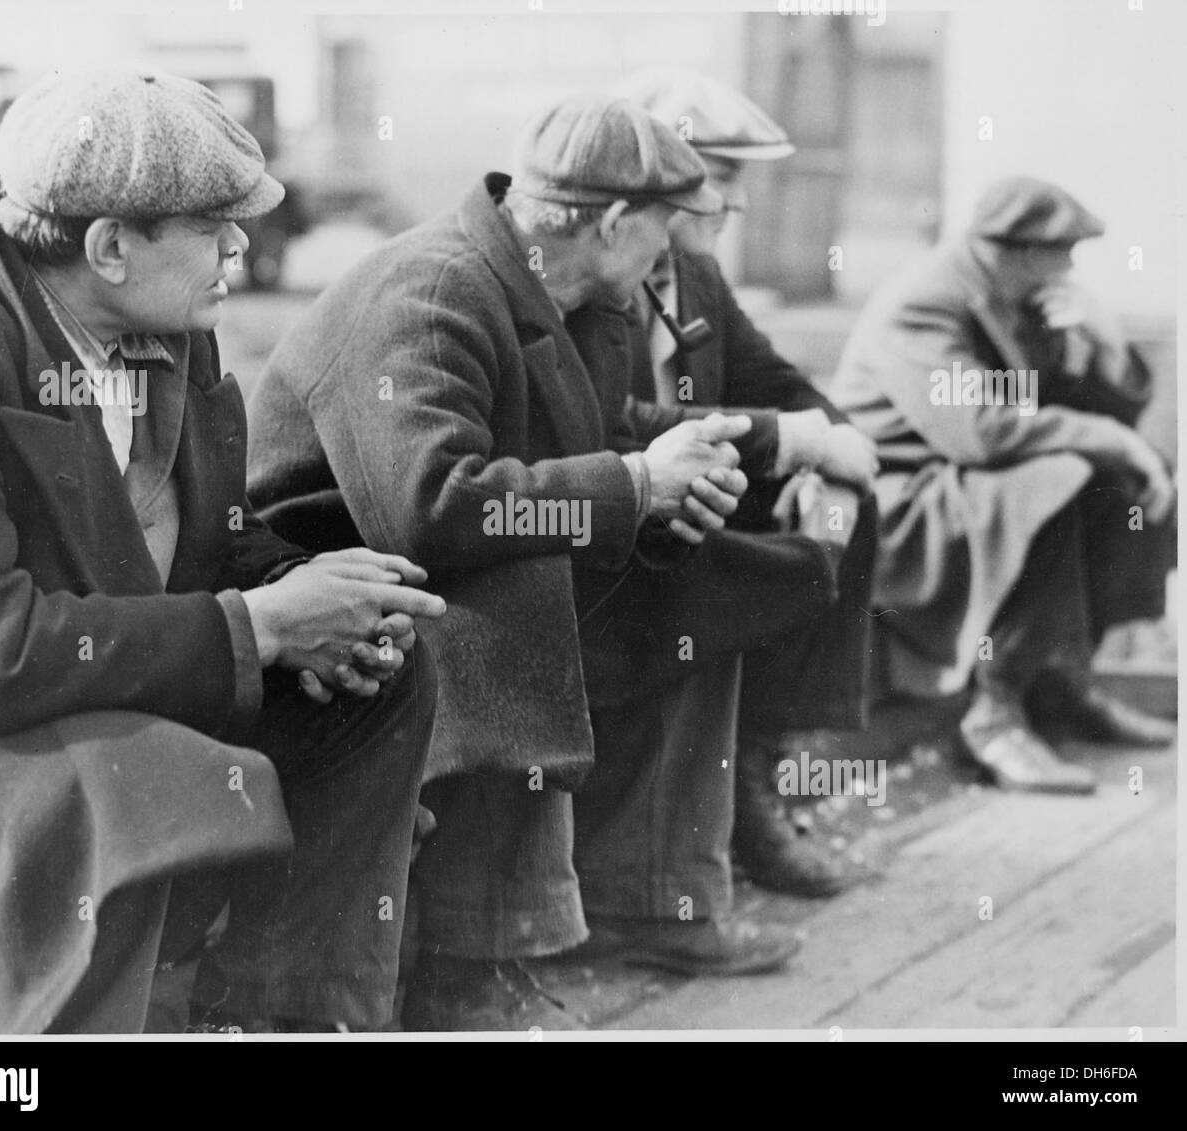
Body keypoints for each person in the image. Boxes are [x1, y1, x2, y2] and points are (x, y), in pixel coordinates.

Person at [247, 95, 828, 1030]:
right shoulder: (434, 293)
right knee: (508, 591)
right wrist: (634, 484)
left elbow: (586, 438)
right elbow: (428, 508)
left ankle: (651, 898)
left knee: (710, 575)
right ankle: (473, 970)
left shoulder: (569, 295)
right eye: (664, 234)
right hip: (326, 589)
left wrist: (675, 485)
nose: (667, 262)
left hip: (430, 567)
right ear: (610, 223)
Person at [0, 70, 445, 1035]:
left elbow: (202, 547)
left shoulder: (162, 323)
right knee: (137, 776)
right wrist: (256, 628)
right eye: (213, 225)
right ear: (110, 246)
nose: (243, 243)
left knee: (382, 676)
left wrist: (302, 595)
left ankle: (288, 1015)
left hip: (100, 682)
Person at [584, 68, 880, 901]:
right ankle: (726, 815)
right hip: (617, 520)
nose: (736, 202)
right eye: (722, 176)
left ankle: (763, 764)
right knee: (753, 543)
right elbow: (613, 419)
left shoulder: (698, 276)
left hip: (685, 493)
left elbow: (776, 379)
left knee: (843, 501)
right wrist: (788, 440)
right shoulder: (600, 272)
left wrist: (827, 440)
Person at [832, 176, 1176, 793]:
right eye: (1062, 252)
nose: (1070, 268)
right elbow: (979, 431)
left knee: (1124, 479)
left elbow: (1077, 414)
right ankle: (994, 714)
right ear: (1014, 250)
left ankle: (1057, 678)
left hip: (967, 477)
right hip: (898, 491)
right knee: (1062, 479)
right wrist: (1107, 438)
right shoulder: (926, 300)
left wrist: (1101, 343)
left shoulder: (1018, 297)